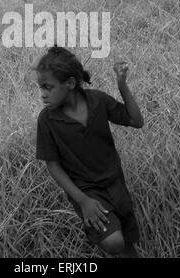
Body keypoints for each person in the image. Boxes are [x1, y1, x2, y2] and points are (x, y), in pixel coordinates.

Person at [34, 46, 144, 258]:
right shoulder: (47, 120)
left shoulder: (98, 101)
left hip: (115, 183)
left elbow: (136, 121)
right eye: (40, 87)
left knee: (127, 243)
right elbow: (53, 165)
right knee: (114, 241)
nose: (42, 94)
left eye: (48, 87)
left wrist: (122, 85)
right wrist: (83, 201)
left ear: (71, 83)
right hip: (85, 191)